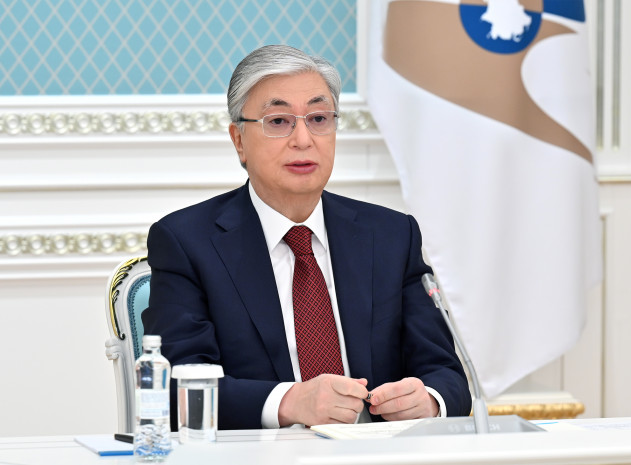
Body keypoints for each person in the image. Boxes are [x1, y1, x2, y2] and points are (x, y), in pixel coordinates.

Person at [142, 45, 472, 430]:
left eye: (318, 118)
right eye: (279, 121)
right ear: (239, 140)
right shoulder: (187, 242)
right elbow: (179, 386)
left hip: (376, 451)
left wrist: (428, 400)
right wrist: (289, 402)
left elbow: (446, 375)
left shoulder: (391, 236)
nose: (303, 139)